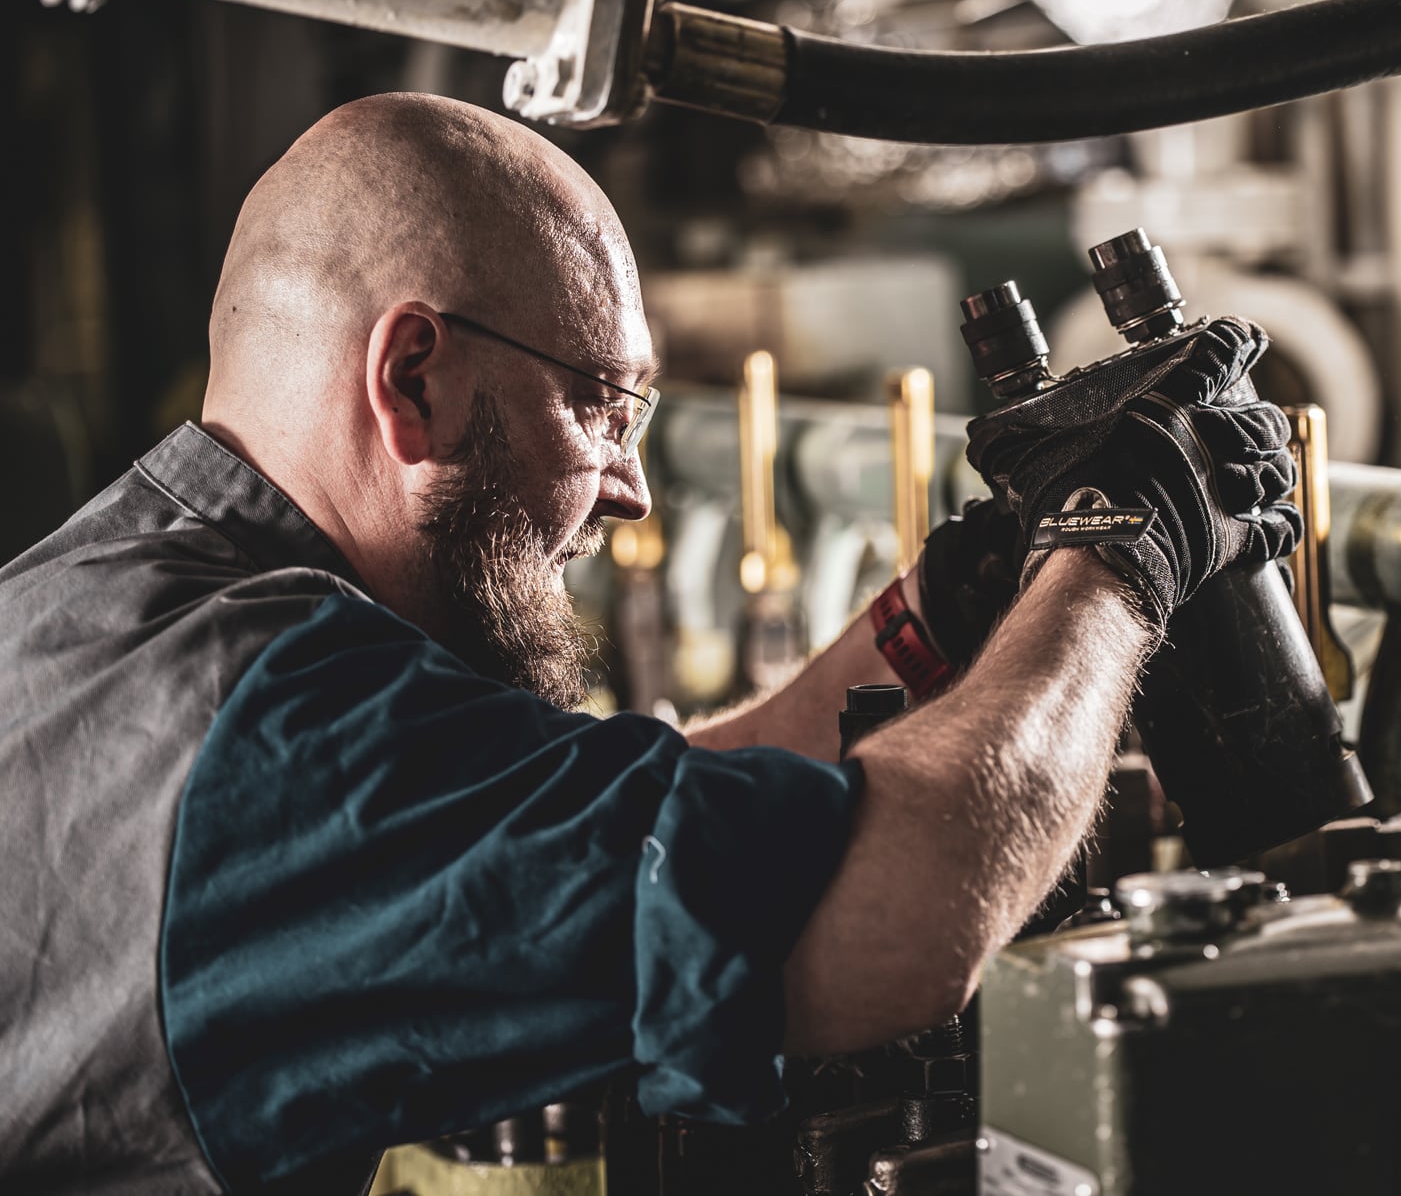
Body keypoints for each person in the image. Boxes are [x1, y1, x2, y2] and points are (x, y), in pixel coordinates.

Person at [0, 94, 1298, 1194]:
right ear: (412, 380)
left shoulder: (100, 609)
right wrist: (1125, 546)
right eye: (597, 408)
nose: (628, 490)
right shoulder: (291, 737)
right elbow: (899, 908)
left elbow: (622, 824)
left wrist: (941, 613)